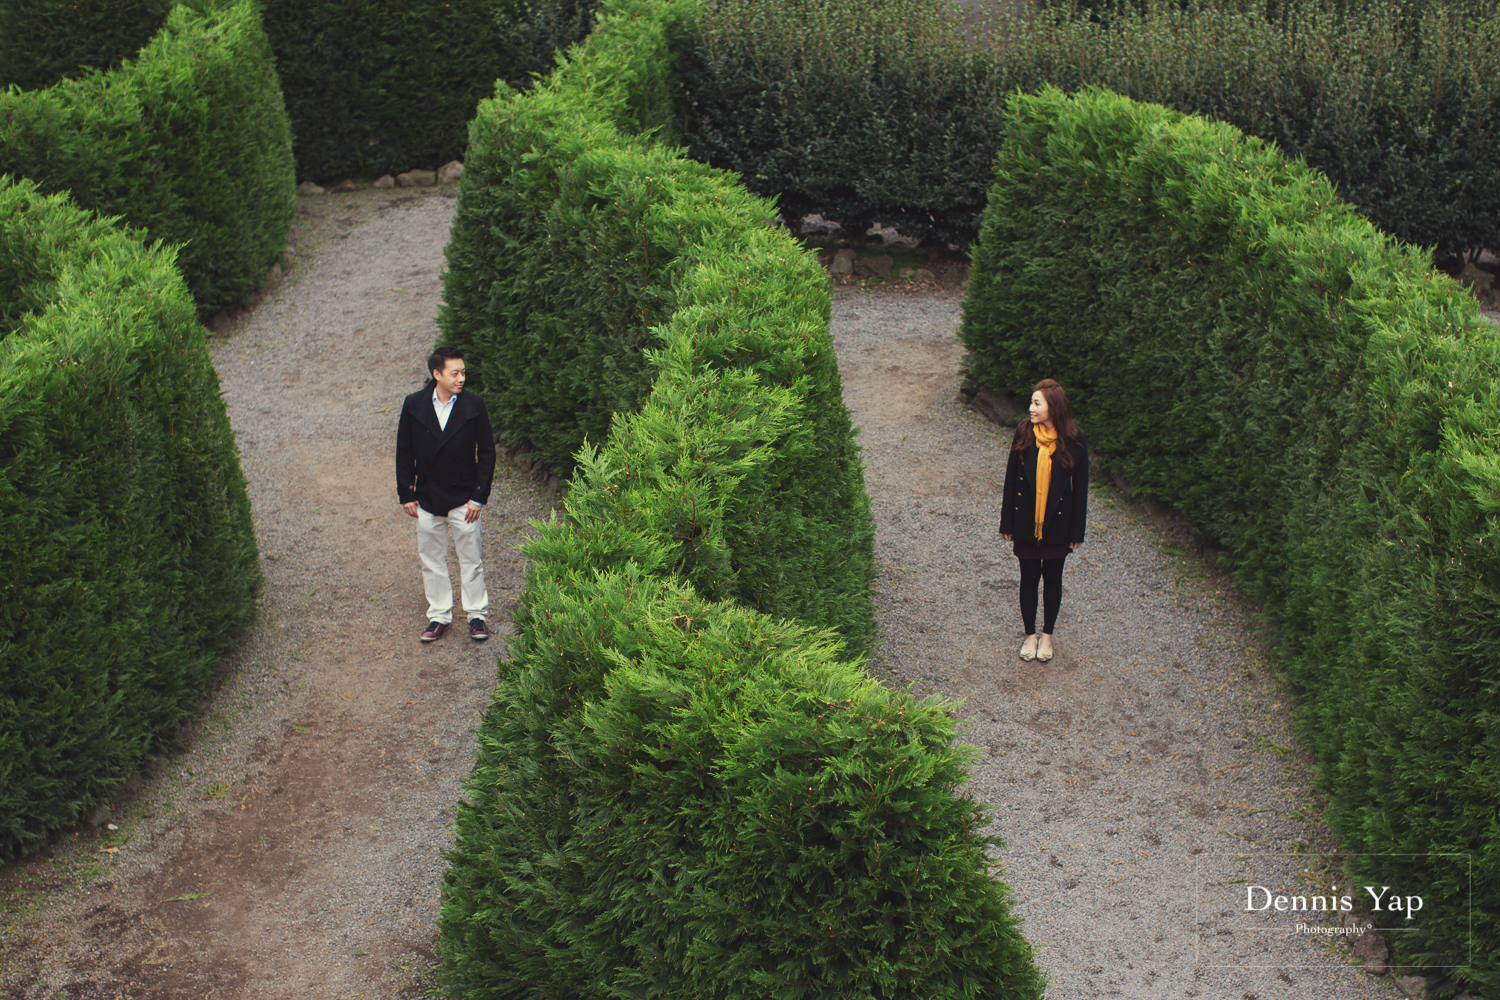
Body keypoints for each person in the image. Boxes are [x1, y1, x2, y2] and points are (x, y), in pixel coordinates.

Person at [395, 346, 497, 642]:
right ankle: (439, 615)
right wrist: (406, 493)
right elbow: (404, 451)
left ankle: (477, 615)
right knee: (431, 558)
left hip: (465, 498)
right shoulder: (413, 404)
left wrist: (479, 496)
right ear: (436, 374)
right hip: (427, 497)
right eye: (455, 373)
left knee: (471, 557)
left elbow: (487, 453)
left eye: (463, 372)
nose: (461, 377)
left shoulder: (474, 405)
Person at [998, 378, 1088, 663]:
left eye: (1037, 403)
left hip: (1058, 525)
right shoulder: (1025, 431)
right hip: (1026, 521)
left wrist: (1077, 531)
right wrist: (1007, 523)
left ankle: (1047, 636)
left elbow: (1081, 489)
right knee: (1028, 578)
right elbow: (1011, 479)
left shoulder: (1074, 439)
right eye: (1032, 402)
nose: (1031, 408)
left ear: (1054, 407)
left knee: (1052, 578)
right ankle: (1029, 635)